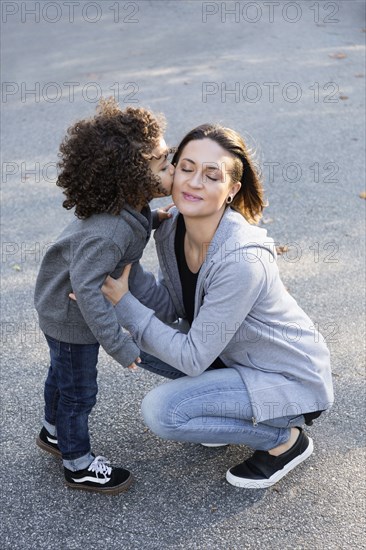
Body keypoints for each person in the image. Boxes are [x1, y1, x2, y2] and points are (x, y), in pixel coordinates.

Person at [99, 123, 334, 490]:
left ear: (231, 190)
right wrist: (122, 271)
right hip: (229, 354)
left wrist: (125, 303)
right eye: (186, 168)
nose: (194, 182)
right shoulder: (172, 228)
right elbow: (170, 310)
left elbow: (192, 357)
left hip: (288, 379)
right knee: (131, 334)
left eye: (212, 175)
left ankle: (284, 442)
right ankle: (220, 406)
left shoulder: (241, 260)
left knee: (163, 412)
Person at [34, 98, 174, 494]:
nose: (172, 167)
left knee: (61, 375)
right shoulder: (107, 233)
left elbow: (137, 218)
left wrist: (156, 219)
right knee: (79, 390)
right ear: (131, 178)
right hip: (71, 316)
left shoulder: (128, 206)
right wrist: (120, 345)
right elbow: (89, 293)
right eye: (163, 163)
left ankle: (53, 433)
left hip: (59, 305)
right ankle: (77, 464)